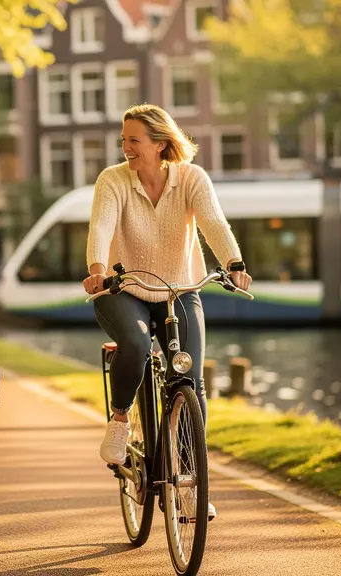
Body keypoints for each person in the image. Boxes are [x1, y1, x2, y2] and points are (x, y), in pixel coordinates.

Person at [83, 104, 253, 522]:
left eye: (134, 140)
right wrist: (98, 271)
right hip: (123, 288)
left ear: (160, 144)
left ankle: (191, 483)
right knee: (137, 344)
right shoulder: (114, 180)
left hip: (179, 288)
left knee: (190, 381)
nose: (126, 148)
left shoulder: (192, 179)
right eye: (123, 140)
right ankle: (120, 419)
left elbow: (213, 221)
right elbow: (101, 226)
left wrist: (234, 263)